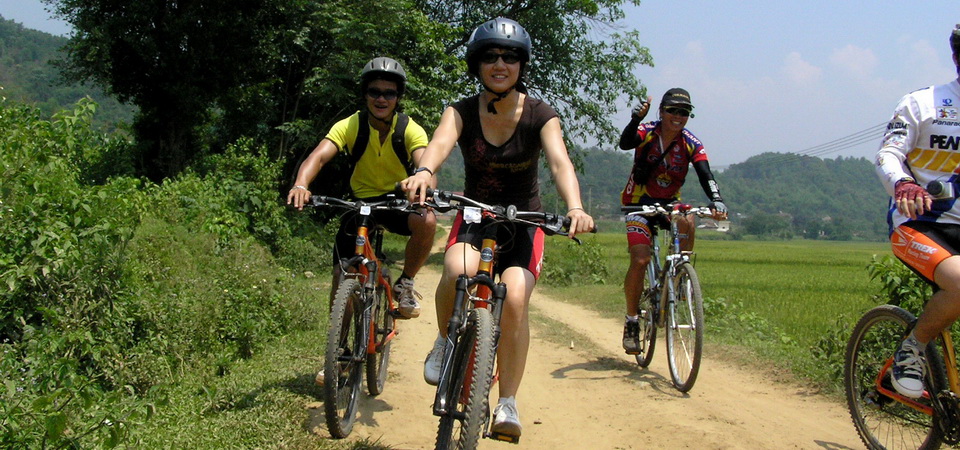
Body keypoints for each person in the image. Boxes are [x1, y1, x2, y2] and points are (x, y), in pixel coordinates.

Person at [400, 17, 595, 440]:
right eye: (490, 56)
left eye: (510, 56)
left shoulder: (541, 114)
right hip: (475, 215)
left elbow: (560, 162)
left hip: (524, 220)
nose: (500, 63)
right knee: (456, 272)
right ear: (478, 64)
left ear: (522, 64)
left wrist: (575, 206)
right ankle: (445, 342)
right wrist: (424, 172)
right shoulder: (462, 111)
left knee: (516, 298)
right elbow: (438, 144)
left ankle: (507, 401)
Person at [288, 56, 437, 321]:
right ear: (365, 95)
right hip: (358, 204)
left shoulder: (409, 129)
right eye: (374, 92)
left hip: (396, 203)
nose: (381, 99)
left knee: (426, 219)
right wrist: (301, 184)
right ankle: (340, 352)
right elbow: (319, 156)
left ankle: (406, 283)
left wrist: (421, 186)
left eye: (389, 93)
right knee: (340, 275)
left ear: (398, 98)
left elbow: (426, 165)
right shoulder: (351, 125)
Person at [877, 24, 960, 399]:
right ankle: (911, 350)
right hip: (919, 224)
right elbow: (888, 153)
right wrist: (903, 183)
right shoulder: (923, 103)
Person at [618, 88, 728, 355]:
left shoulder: (691, 142)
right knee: (641, 259)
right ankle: (632, 320)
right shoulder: (647, 131)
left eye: (684, 112)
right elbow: (625, 142)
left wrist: (717, 200)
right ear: (662, 112)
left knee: (688, 218)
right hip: (638, 203)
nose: (678, 117)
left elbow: (705, 172)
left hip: (669, 204)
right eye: (673, 111)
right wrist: (634, 119)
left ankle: (679, 274)